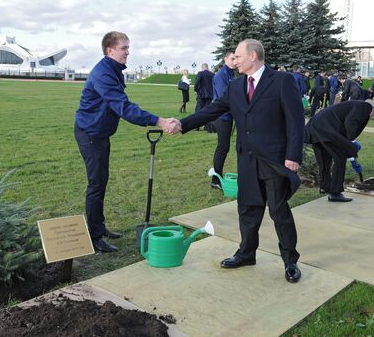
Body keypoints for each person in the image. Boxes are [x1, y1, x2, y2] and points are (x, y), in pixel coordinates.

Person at [168, 39, 305, 283]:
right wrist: (183, 124)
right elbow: (213, 109)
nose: (234, 61)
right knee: (248, 209)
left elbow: (295, 121)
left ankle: (290, 261)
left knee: (278, 211)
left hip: (273, 160)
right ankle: (246, 253)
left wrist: (293, 156)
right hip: (247, 159)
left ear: (253, 56)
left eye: (238, 57)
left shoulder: (282, 81)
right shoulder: (236, 86)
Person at [74, 31, 175, 253]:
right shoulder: (104, 74)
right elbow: (123, 107)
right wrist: (158, 121)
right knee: (96, 183)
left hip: (99, 132)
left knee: (101, 180)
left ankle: (98, 226)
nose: (128, 52)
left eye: (128, 48)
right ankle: (95, 236)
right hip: (90, 133)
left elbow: (121, 104)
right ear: (110, 50)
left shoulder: (113, 71)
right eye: (124, 48)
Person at [304, 100, 374, 202]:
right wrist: (351, 141)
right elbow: (350, 122)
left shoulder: (353, 105)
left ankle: (325, 186)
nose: (371, 117)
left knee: (324, 159)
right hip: (326, 130)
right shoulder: (365, 106)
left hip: (315, 127)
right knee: (340, 158)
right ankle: (335, 193)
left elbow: (344, 121)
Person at [211, 51, 236, 190]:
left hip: (228, 115)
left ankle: (217, 176)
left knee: (224, 147)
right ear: (225, 59)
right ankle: (216, 179)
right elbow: (224, 97)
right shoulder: (222, 75)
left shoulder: (230, 73)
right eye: (232, 58)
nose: (234, 61)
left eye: (236, 58)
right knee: (222, 147)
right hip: (222, 116)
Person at [194, 63, 214, 132]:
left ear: (202, 67)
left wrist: (196, 90)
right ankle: (207, 127)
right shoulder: (212, 74)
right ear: (207, 67)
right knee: (207, 111)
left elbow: (196, 83)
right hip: (210, 95)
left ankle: (196, 127)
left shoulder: (200, 73)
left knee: (199, 110)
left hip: (201, 94)